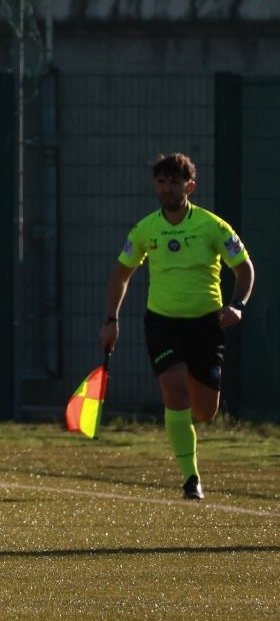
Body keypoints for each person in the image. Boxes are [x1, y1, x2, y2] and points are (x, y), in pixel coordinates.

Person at [101, 152, 254, 500]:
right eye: (161, 181)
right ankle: (191, 479)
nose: (167, 187)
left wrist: (238, 306)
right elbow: (121, 274)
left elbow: (244, 268)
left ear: (190, 186)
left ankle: (188, 381)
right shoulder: (145, 229)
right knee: (174, 389)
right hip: (163, 324)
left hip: (206, 325)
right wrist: (111, 320)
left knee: (204, 412)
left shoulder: (213, 226)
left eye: (174, 181)